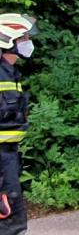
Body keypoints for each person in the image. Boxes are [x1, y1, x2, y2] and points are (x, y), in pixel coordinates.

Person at [0, 14, 36, 235]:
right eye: (23, 38)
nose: (28, 42)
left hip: (9, 154)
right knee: (9, 217)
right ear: (8, 40)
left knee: (10, 214)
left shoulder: (10, 73)